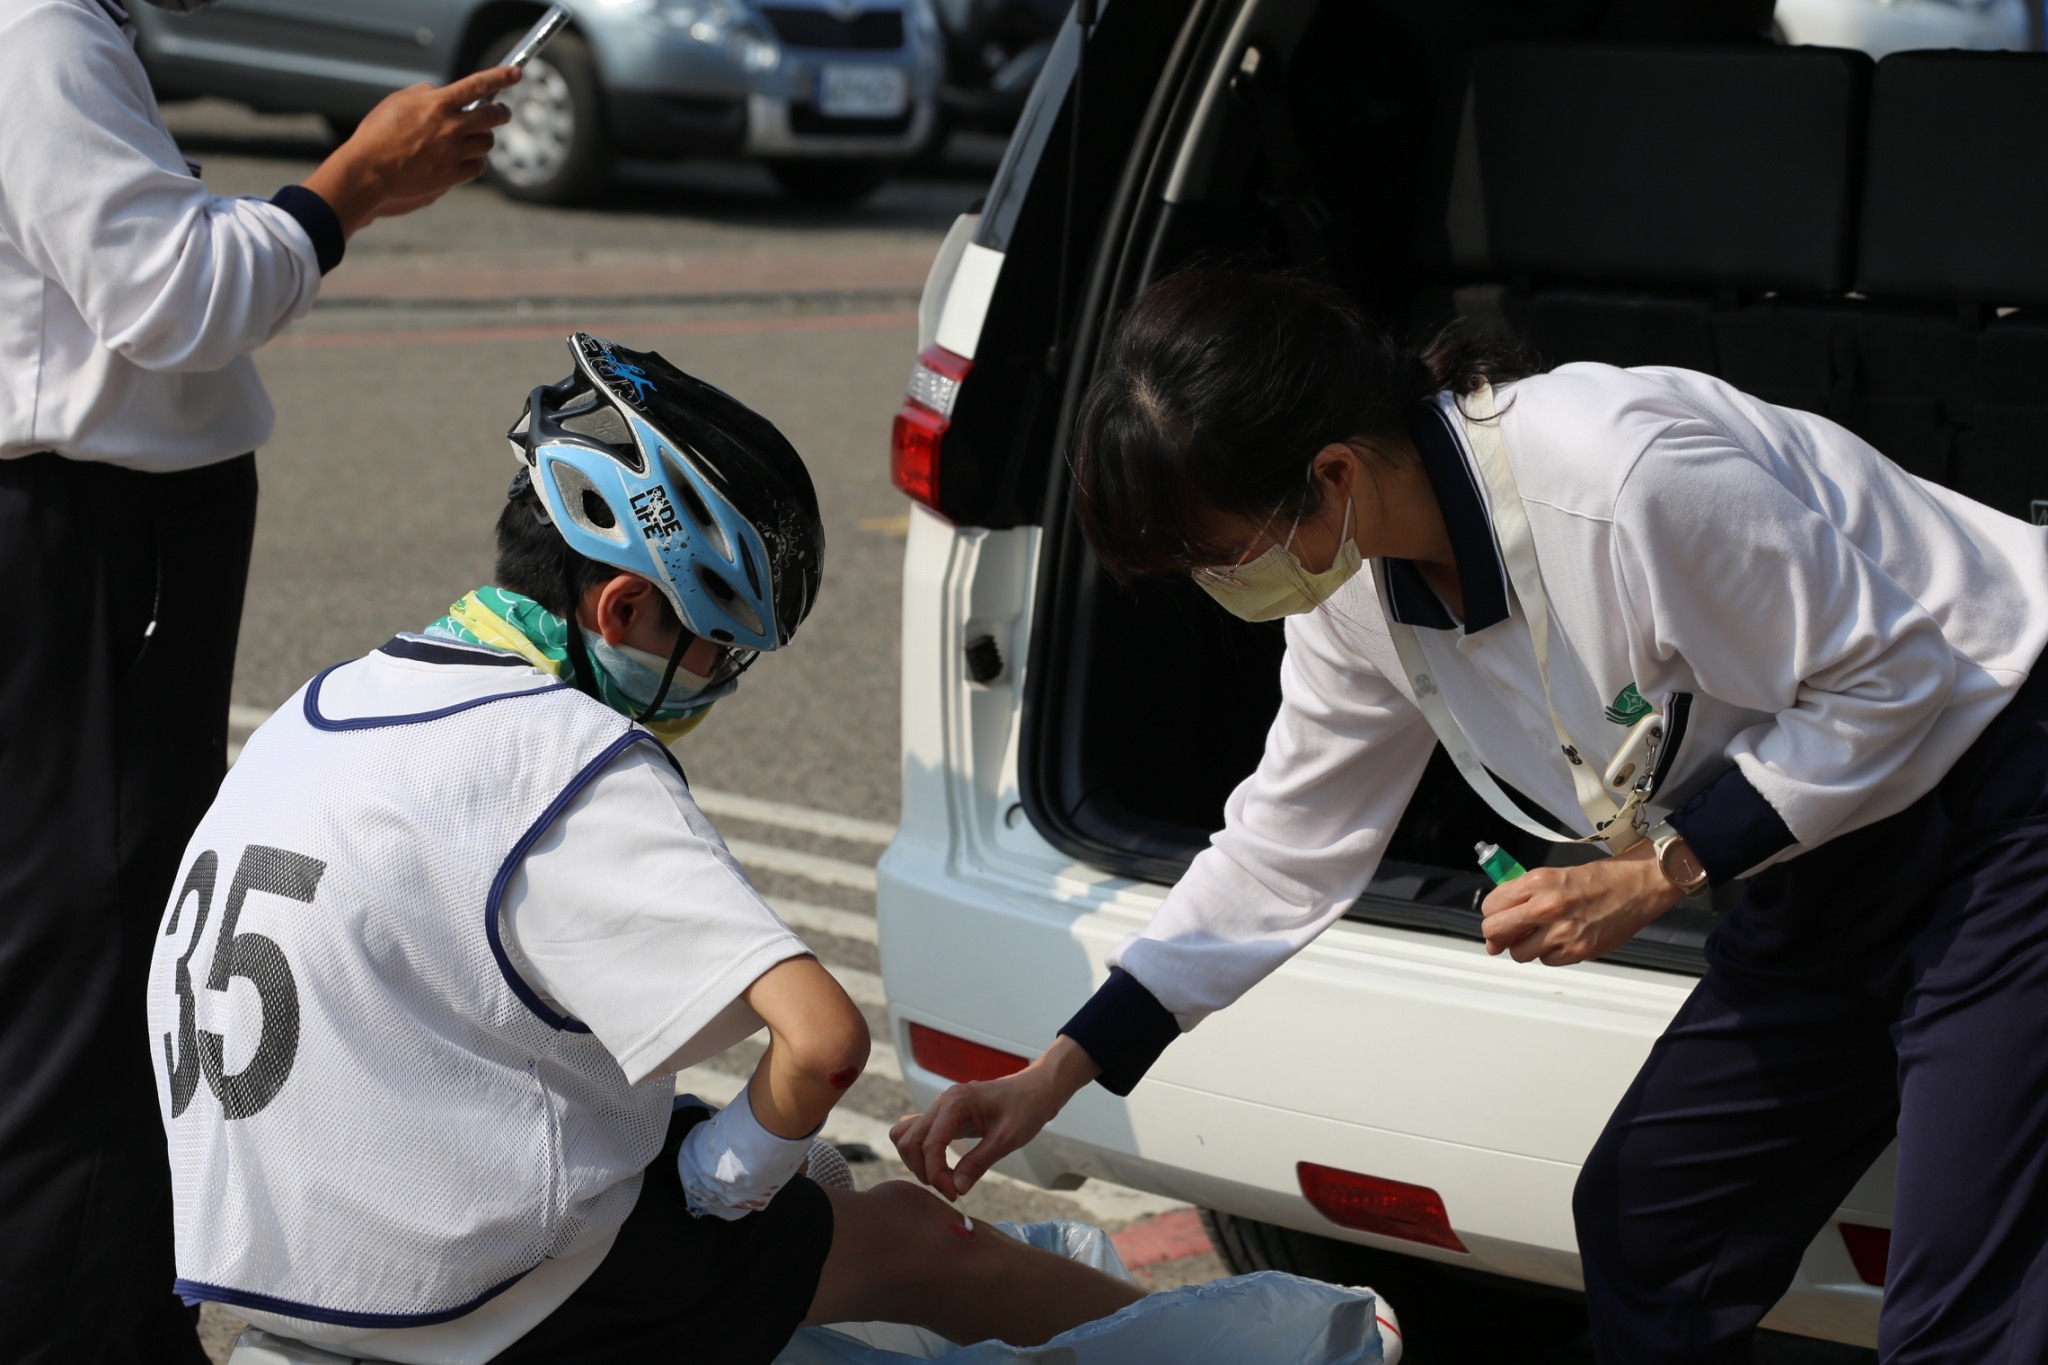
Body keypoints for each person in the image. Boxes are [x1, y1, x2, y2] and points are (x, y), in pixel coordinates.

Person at [890, 269, 2048, 1362]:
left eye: (1216, 549)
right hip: (1818, 842)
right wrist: (1057, 1070)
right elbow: (1283, 846)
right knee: (1650, 1223)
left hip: (2002, 792)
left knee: (1957, 1317)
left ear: (1332, 475)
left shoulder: (1615, 473)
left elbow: (1896, 679)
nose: (1213, 583)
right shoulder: (1357, 599)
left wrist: (1657, 872)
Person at [146, 334, 1144, 1365]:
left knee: (794, 1180)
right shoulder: (566, 751)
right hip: (478, 1293)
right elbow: (822, 1040)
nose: (719, 680)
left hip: (271, 1252)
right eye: (717, 645)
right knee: (916, 1235)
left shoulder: (323, 704)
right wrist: (730, 1178)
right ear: (621, 607)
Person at [0, 1, 523, 1359]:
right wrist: (349, 185)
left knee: (63, 942)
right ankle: (86, 1323)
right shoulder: (39, 27)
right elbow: (171, 293)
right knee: (102, 962)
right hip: (87, 547)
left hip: (68, 536)